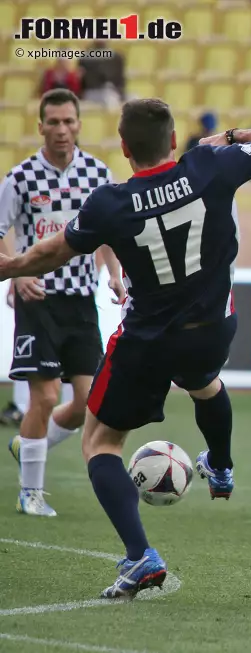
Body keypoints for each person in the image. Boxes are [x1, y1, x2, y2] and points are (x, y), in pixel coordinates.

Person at [0, 97, 251, 598]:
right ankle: (223, 466)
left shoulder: (110, 202)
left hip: (148, 340)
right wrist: (231, 137)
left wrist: (8, 268)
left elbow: (50, 253)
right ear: (173, 140)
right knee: (205, 382)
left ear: (124, 148)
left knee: (100, 442)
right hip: (214, 328)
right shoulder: (209, 166)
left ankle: (139, 556)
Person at [0, 89, 124, 517]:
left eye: (68, 121)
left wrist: (113, 271)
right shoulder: (20, 178)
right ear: (40, 127)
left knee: (89, 402)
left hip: (80, 302)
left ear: (79, 125)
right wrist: (19, 273)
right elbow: (0, 233)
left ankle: (29, 444)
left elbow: (107, 233)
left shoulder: (98, 174)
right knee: (46, 397)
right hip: (38, 300)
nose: (61, 129)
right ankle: (30, 492)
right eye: (53, 122)